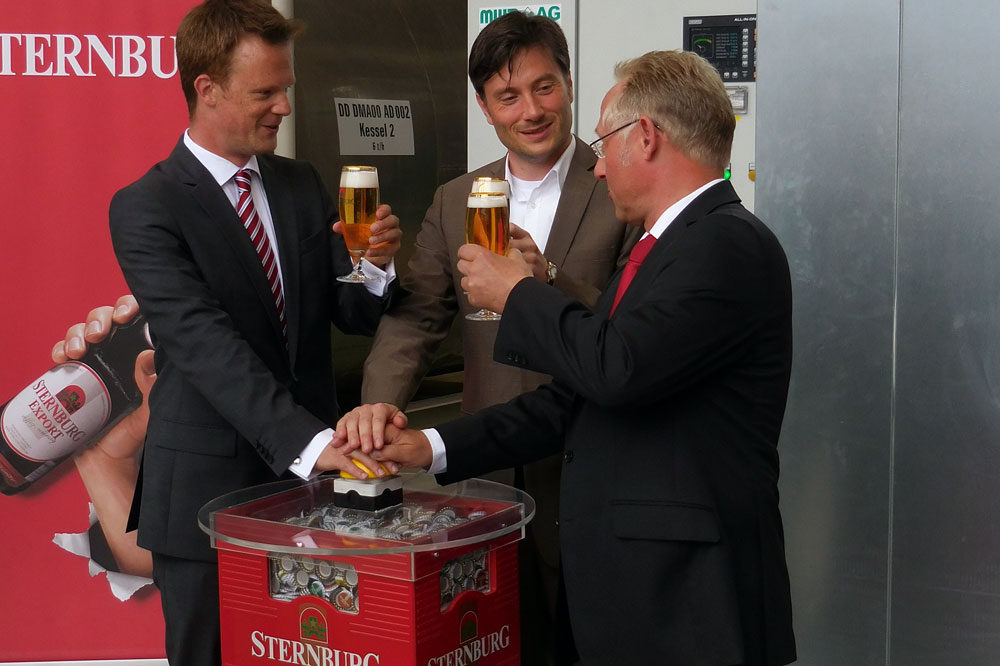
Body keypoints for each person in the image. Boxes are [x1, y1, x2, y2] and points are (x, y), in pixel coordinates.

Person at [355, 50, 797, 665]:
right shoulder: (662, 248)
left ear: (644, 137)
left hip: (689, 600)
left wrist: (518, 292)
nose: (597, 168)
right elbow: (574, 399)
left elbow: (615, 369)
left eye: (605, 140)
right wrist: (428, 447)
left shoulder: (725, 244)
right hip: (632, 593)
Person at [107, 1, 402, 663]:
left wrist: (374, 267)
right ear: (206, 89)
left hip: (313, 495)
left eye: (285, 89)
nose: (284, 108)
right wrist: (314, 442)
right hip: (205, 501)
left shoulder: (301, 183)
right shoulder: (146, 207)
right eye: (265, 93)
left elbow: (348, 313)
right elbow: (204, 345)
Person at [358, 12, 637, 664]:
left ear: (569, 84)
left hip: (590, 467)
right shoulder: (458, 199)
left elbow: (632, 331)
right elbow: (414, 318)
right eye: (508, 96)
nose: (531, 110)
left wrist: (546, 281)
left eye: (545, 87)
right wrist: (376, 407)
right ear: (484, 107)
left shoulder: (619, 186)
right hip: (484, 471)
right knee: (487, 643)